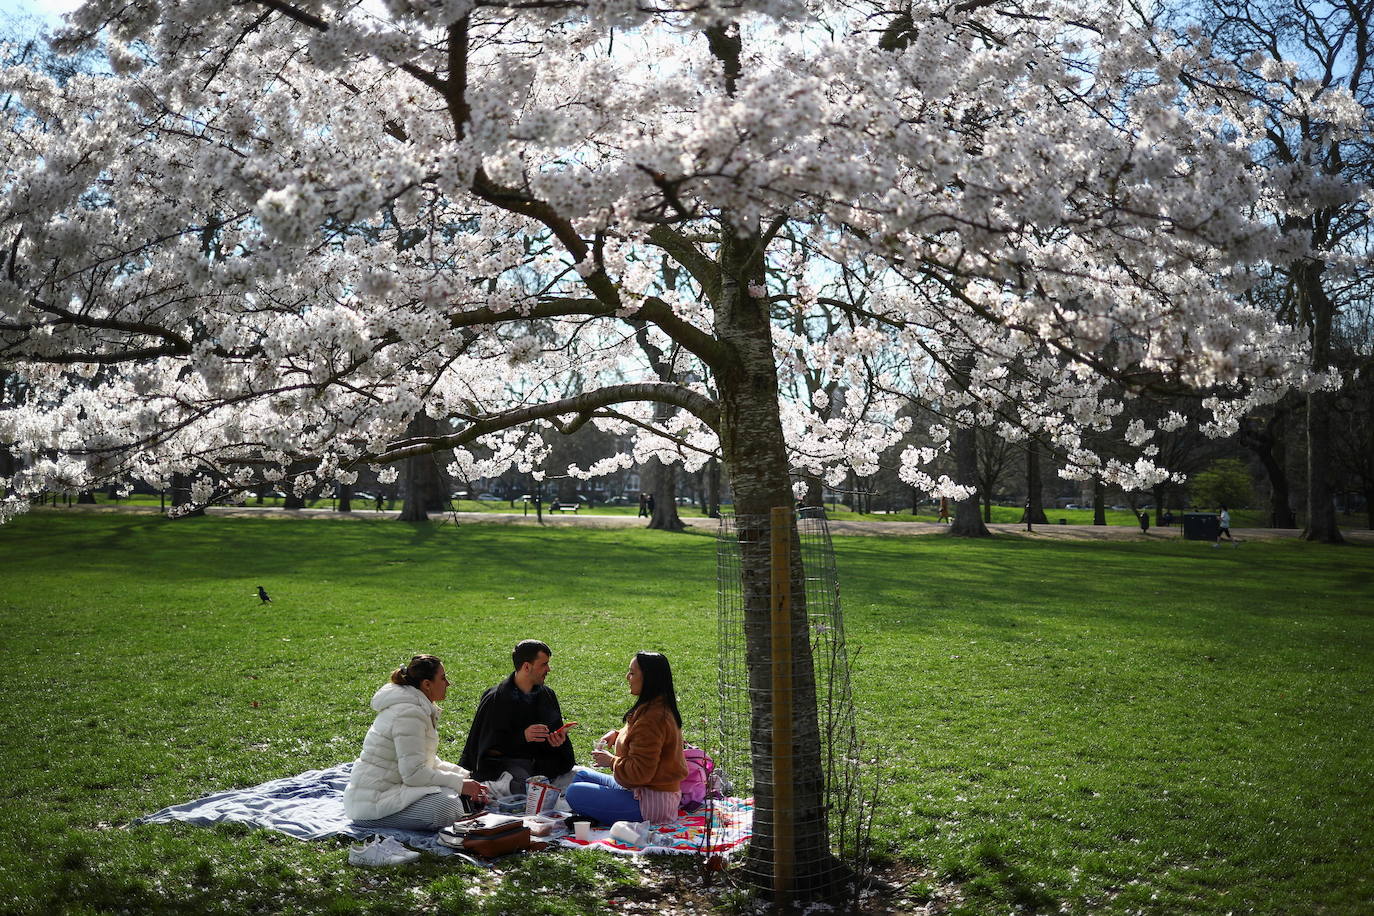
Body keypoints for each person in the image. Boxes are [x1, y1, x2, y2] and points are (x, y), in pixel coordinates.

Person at [343, 654, 486, 831]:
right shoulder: (409, 714)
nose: (448, 683)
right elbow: (414, 774)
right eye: (442, 678)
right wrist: (459, 784)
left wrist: (465, 776)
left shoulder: (416, 706)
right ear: (426, 684)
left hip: (388, 791)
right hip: (370, 806)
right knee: (448, 806)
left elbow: (426, 760)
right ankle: (374, 823)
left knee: (451, 795)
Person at [565, 652, 689, 825]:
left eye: (632, 673)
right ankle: (598, 812)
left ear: (648, 678)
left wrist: (611, 762)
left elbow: (640, 772)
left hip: (652, 804)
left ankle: (598, 813)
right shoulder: (654, 705)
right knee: (582, 776)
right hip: (644, 791)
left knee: (574, 793)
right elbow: (640, 742)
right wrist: (616, 735)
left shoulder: (652, 718)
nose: (627, 677)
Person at [459, 640, 574, 794]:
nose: (548, 669)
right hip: (507, 765)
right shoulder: (496, 699)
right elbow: (487, 749)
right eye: (544, 664)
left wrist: (557, 741)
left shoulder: (547, 695)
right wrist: (523, 737)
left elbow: (555, 738)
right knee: (525, 787)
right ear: (527, 666)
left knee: (578, 778)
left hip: (540, 763)